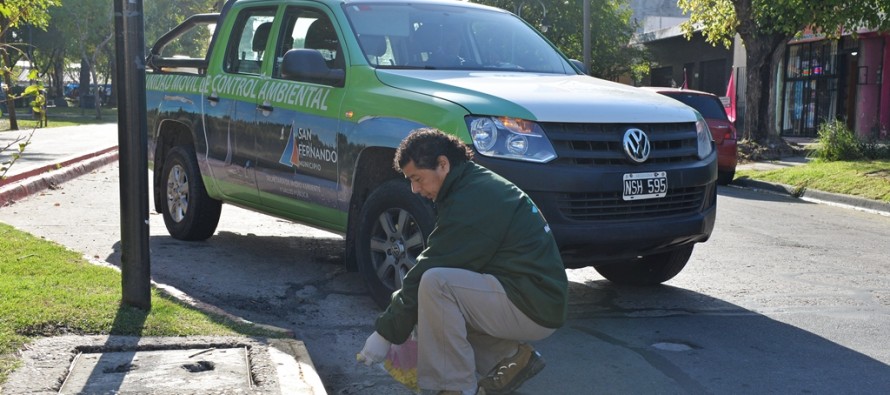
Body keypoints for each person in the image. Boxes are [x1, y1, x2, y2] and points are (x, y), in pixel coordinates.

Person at [358, 128, 568, 395]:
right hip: (531, 294)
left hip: (532, 301)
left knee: (436, 285)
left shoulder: (474, 198)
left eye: (418, 178)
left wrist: (386, 333)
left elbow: (430, 266)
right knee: (432, 308)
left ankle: (453, 389)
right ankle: (511, 358)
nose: (414, 189)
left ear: (443, 164)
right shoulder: (471, 185)